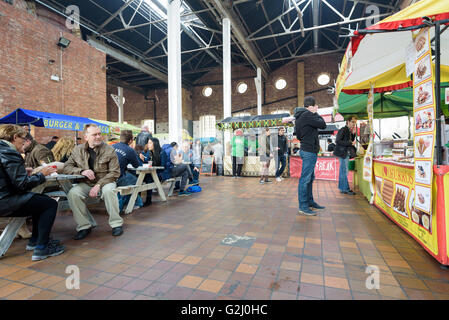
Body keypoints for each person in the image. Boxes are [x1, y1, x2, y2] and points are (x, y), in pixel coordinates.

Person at [0, 124, 65, 261]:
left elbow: (8, 178)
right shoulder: (9, 152)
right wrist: (41, 174)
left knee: (38, 201)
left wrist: (24, 173)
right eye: (23, 139)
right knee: (49, 204)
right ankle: (42, 248)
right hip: (5, 202)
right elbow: (22, 185)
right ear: (15, 137)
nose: (24, 142)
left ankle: (35, 240)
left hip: (3, 198)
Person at [63, 124, 123, 239]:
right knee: (73, 193)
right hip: (87, 183)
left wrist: (99, 185)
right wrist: (82, 171)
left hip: (106, 181)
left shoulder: (109, 150)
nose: (98, 137)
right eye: (94, 134)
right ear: (86, 137)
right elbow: (67, 167)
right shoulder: (78, 150)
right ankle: (84, 226)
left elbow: (115, 172)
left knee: (109, 191)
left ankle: (116, 224)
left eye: (99, 134)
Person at [294, 96, 327, 216]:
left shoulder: (299, 116)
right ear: (311, 106)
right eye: (315, 106)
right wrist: (316, 113)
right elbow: (323, 125)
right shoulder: (308, 115)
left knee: (309, 178)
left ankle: (309, 202)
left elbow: (297, 135)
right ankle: (303, 206)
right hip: (309, 151)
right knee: (305, 179)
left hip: (306, 149)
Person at [112, 130, 143, 212]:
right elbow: (137, 165)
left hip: (106, 177)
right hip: (118, 178)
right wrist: (140, 158)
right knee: (136, 181)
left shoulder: (111, 147)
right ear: (130, 141)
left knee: (128, 178)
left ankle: (131, 202)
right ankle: (137, 203)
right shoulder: (129, 150)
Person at [334, 116, 357, 195]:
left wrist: (353, 134)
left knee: (343, 171)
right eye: (353, 122)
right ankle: (345, 188)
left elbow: (349, 141)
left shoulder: (348, 131)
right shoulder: (343, 129)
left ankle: (343, 188)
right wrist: (350, 143)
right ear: (348, 121)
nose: (354, 124)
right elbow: (338, 141)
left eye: (355, 122)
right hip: (342, 153)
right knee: (344, 171)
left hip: (343, 152)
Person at [140, 137, 164, 206]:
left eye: (150, 143)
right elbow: (148, 161)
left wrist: (153, 165)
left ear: (155, 144)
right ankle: (137, 200)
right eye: (148, 143)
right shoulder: (149, 152)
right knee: (140, 178)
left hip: (161, 174)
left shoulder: (162, 152)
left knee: (149, 178)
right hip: (152, 173)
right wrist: (143, 159)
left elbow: (163, 167)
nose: (148, 145)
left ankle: (148, 200)